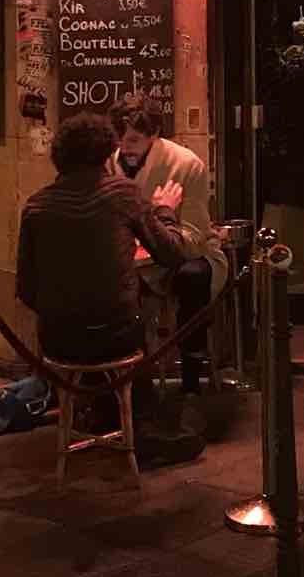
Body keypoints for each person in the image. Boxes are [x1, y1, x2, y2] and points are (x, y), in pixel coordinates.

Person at [15, 112, 202, 466]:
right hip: (116, 336)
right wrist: (165, 211)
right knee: (127, 314)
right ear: (105, 154)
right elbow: (173, 253)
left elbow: (26, 289)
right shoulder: (122, 193)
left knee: (99, 314)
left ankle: (102, 416)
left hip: (57, 340)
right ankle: (142, 431)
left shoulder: (36, 206)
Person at [108, 92, 224, 394]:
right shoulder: (108, 162)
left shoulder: (186, 165)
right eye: (119, 138)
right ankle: (128, 382)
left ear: (154, 135)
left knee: (193, 277)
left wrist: (162, 219)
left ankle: (191, 382)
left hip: (187, 252)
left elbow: (194, 239)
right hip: (135, 256)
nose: (124, 147)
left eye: (133, 140)